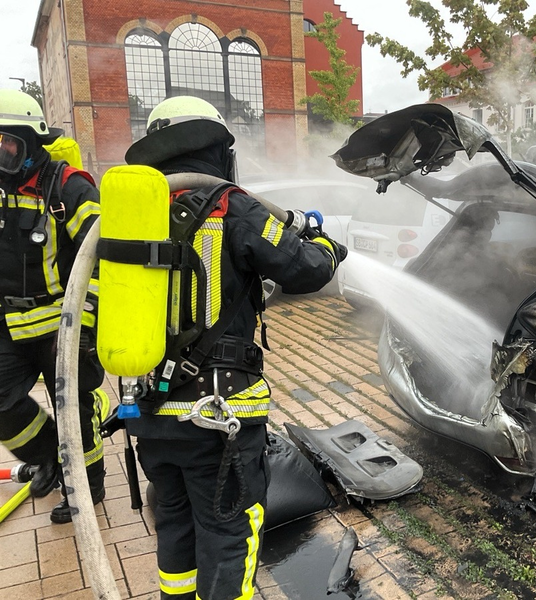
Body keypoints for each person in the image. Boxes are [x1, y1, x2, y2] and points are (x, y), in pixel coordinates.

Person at [123, 96, 346, 600]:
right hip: (216, 415)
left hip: (149, 412)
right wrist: (327, 245)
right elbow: (306, 269)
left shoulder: (132, 216)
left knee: (175, 526)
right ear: (217, 148)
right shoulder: (229, 204)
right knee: (228, 533)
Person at [0, 89, 106, 523]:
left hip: (63, 323)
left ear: (31, 141)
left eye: (6, 142)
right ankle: (50, 457)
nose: (0, 152)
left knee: (73, 410)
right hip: (9, 323)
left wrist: (84, 325)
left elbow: (101, 256)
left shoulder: (69, 188)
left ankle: (88, 485)